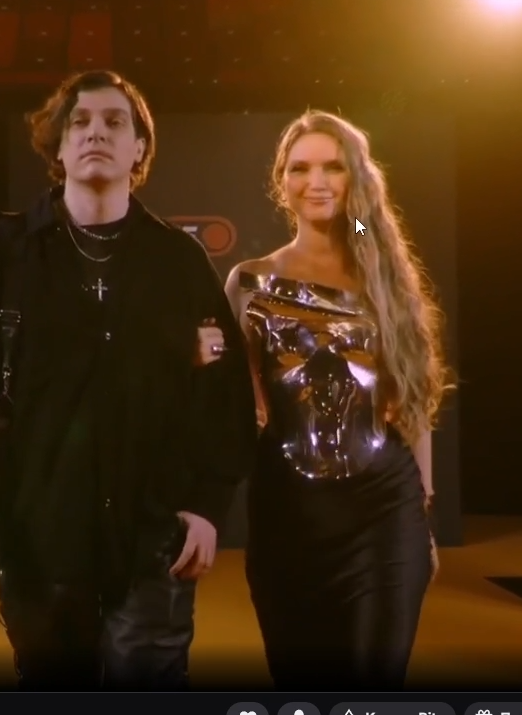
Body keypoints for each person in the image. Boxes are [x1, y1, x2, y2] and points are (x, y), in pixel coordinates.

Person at [0, 69, 257, 691]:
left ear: (139, 148)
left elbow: (221, 395)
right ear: (59, 146)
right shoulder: (8, 251)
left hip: (155, 535)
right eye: (80, 122)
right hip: (38, 536)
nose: (96, 133)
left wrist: (206, 507)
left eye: (115, 122)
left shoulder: (178, 260)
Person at [200, 110, 450, 689]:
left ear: (355, 177)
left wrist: (423, 513)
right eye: (300, 168)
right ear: (281, 182)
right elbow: (226, 402)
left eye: (333, 167)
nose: (316, 181)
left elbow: (414, 402)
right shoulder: (250, 281)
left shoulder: (382, 274)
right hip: (289, 515)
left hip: (384, 511)